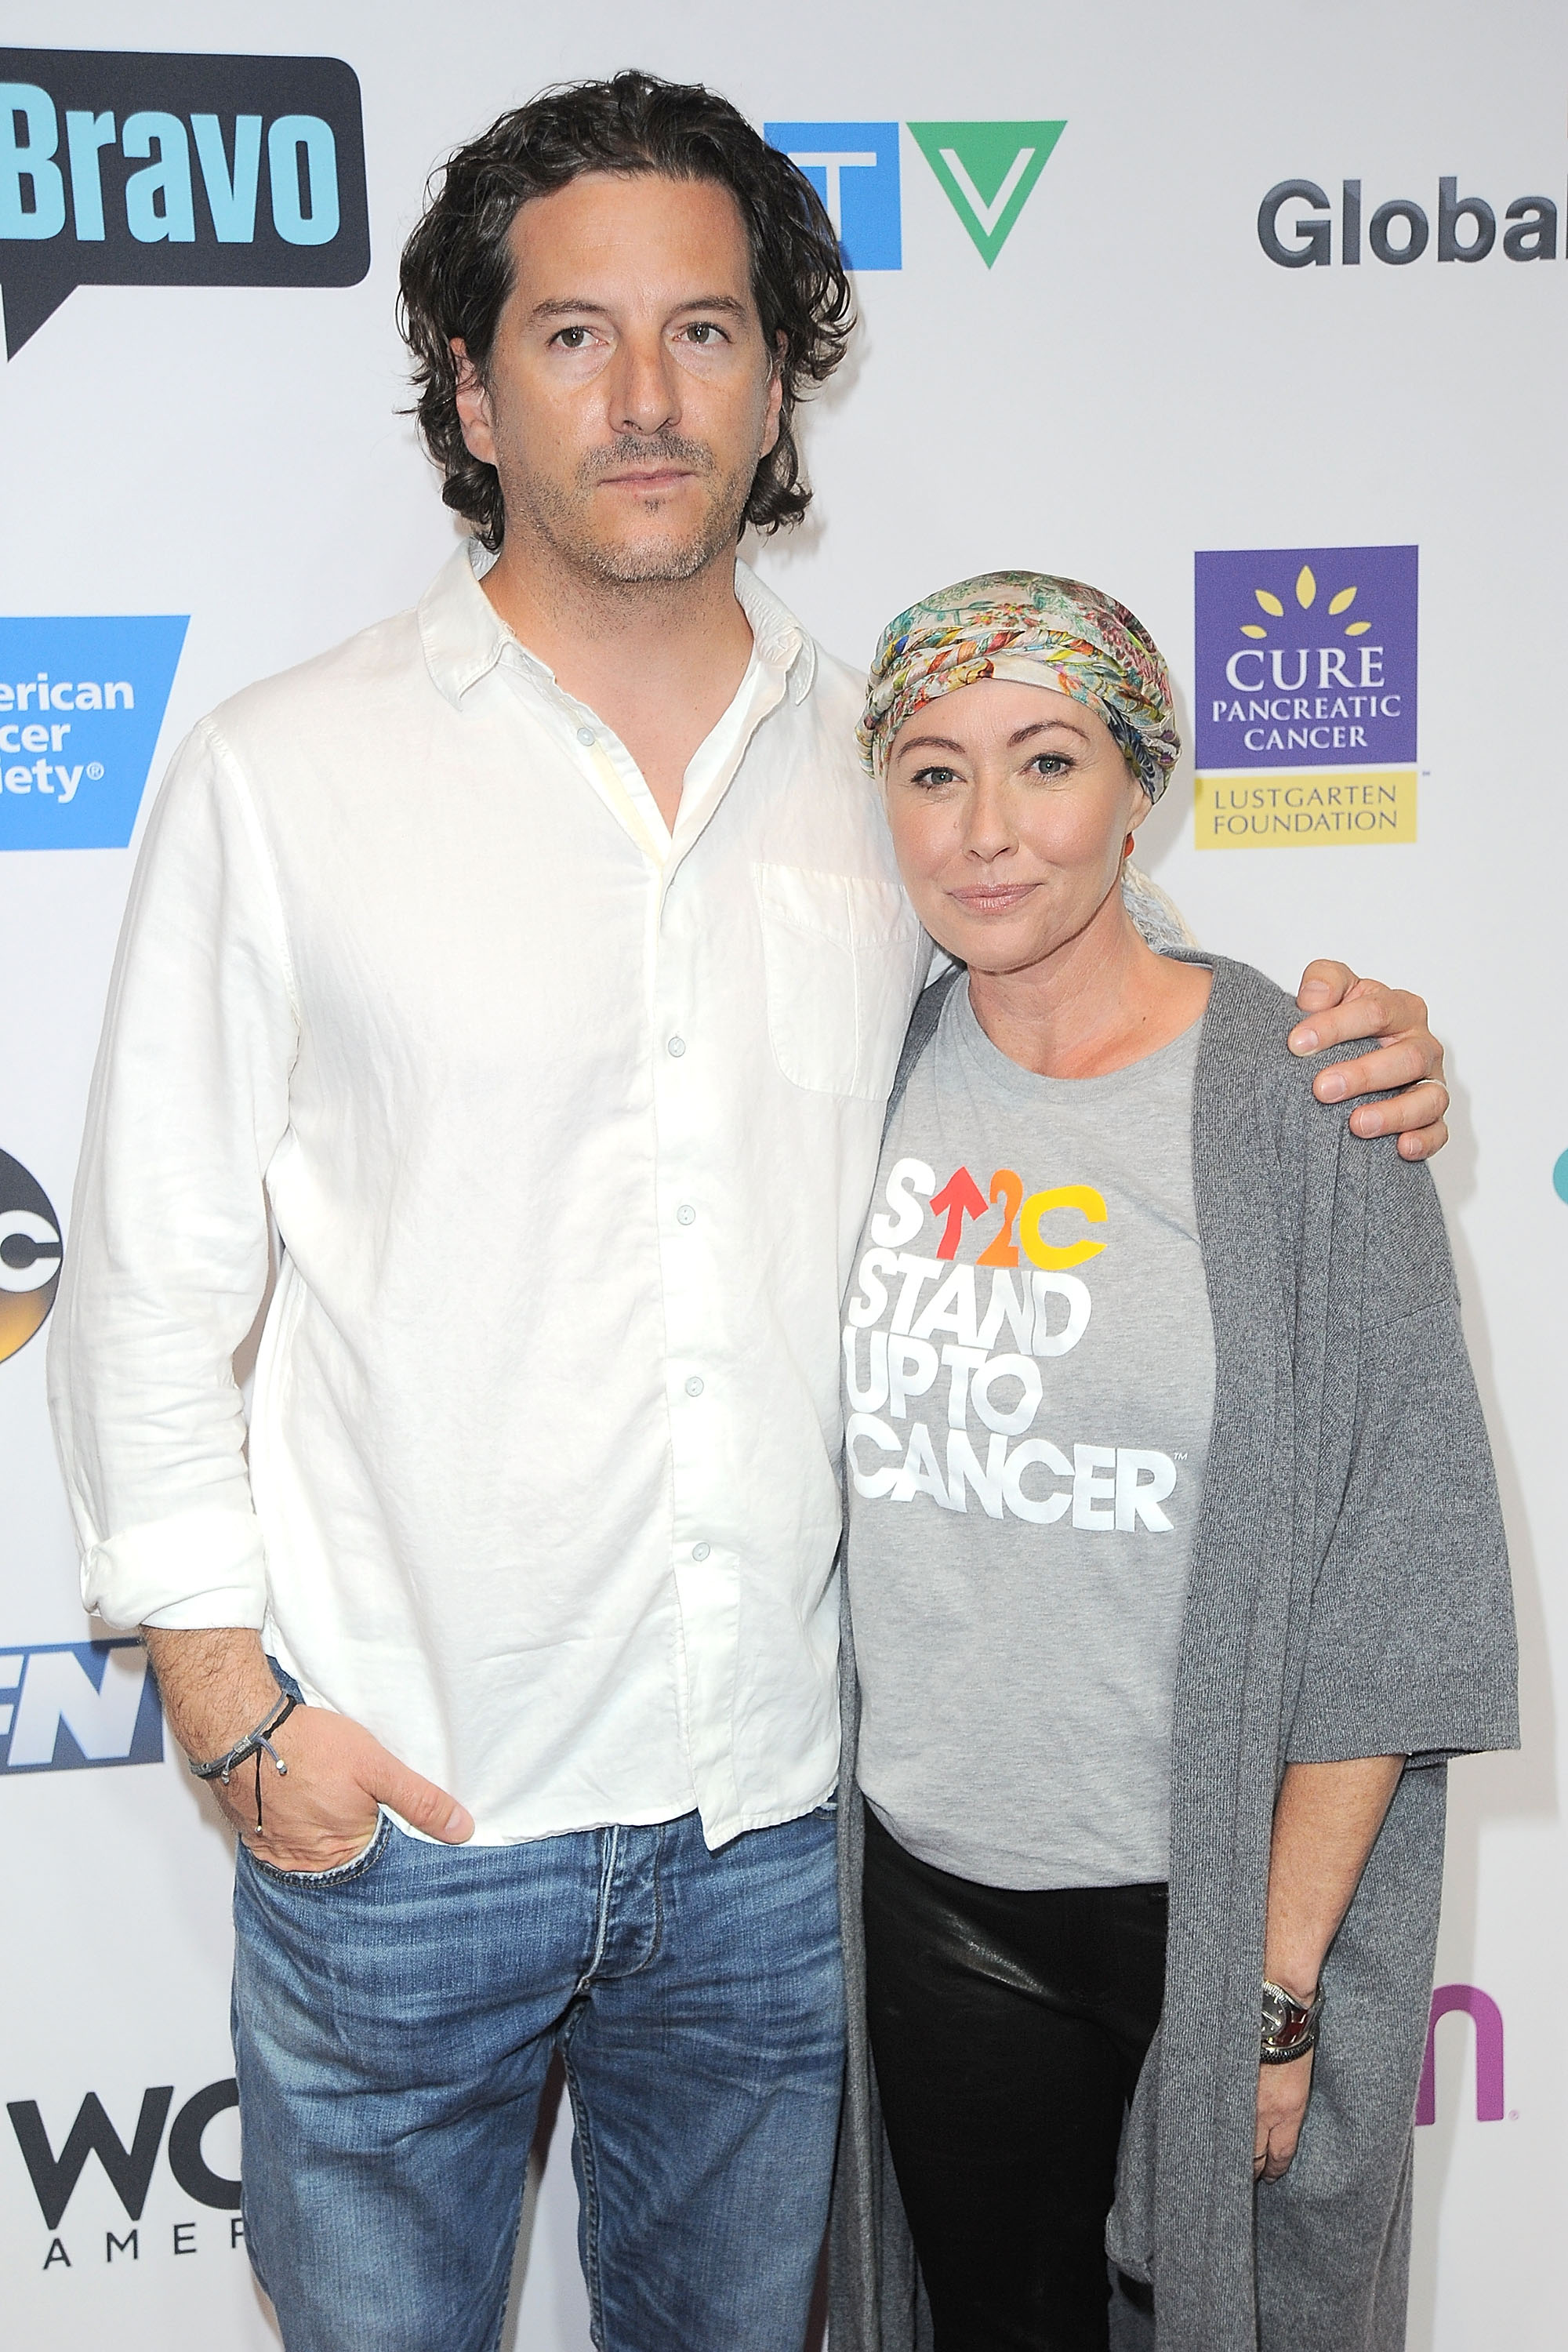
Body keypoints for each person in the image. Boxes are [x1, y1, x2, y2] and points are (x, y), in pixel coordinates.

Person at [47, 73, 1451, 2352]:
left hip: (775, 1850)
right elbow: (152, 1274)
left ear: (777, 377)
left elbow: (1086, 1036)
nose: (643, 394)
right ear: (473, 389)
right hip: (404, 1818)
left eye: (705, 331)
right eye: (574, 335)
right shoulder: (286, 777)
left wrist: (1337, 1061)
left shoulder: (894, 780)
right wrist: (229, 1707)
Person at [829, 573, 1518, 2352]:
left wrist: (1269, 1994)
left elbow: (1394, 1577)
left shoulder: (1309, 1098)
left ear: (1139, 789)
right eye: (929, 772)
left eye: (1043, 762)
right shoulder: (860, 1074)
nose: (985, 835)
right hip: (936, 1903)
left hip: (1203, 1914)